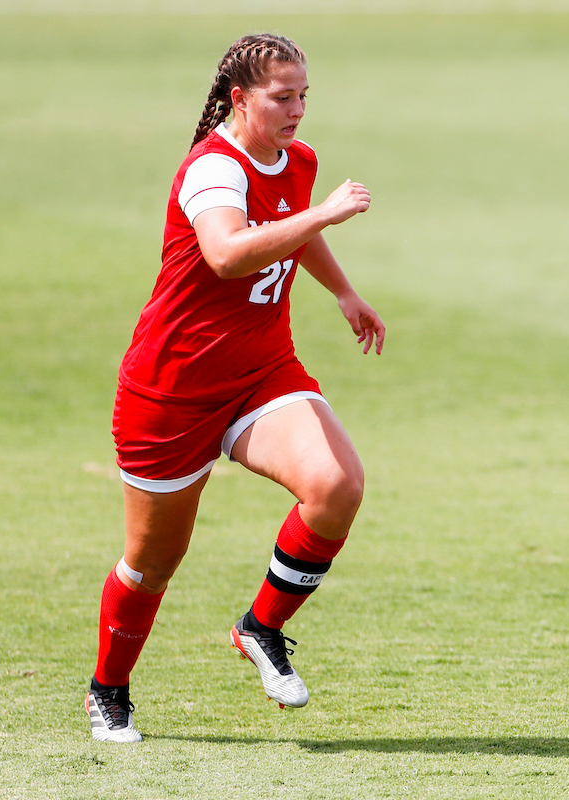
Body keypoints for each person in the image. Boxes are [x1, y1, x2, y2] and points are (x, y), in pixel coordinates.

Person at [85, 33, 385, 743]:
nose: (298, 110)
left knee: (337, 484)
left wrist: (343, 292)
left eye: (305, 95)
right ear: (238, 98)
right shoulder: (210, 171)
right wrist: (322, 214)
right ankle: (108, 690)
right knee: (154, 562)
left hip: (261, 371)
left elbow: (289, 230)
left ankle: (261, 627)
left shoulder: (297, 160)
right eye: (284, 97)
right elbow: (224, 253)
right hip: (172, 390)